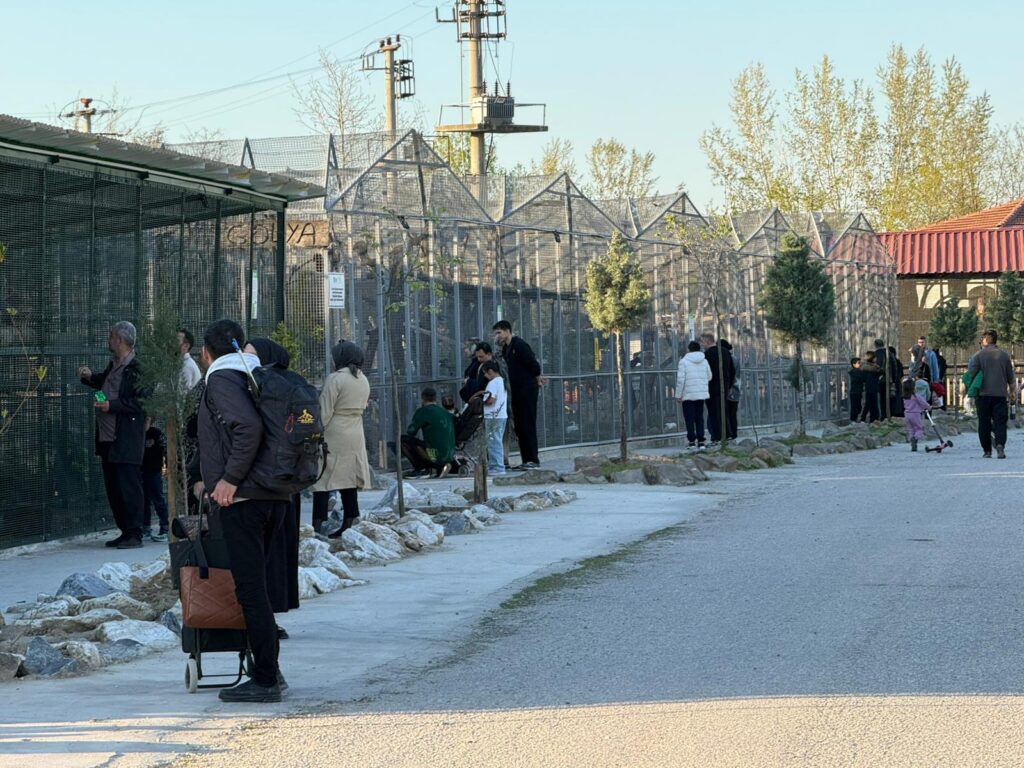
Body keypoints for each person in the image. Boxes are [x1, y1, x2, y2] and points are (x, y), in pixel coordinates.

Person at [198, 318, 288, 703]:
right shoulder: (256, 372)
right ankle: (269, 670)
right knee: (258, 588)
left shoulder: (222, 378)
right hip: (274, 494)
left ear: (205, 353)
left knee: (250, 590)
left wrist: (228, 479)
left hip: (245, 499)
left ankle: (266, 679)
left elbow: (248, 428)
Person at [244, 338, 301, 630]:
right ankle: (272, 615)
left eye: (251, 354)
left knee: (258, 556)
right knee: (278, 553)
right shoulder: (294, 385)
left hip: (258, 481)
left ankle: (262, 622)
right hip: (288, 482)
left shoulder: (259, 385)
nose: (245, 359)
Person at [78, 321, 147, 549]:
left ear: (120, 340)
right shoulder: (114, 365)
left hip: (125, 437)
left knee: (128, 485)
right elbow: (104, 385)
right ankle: (125, 530)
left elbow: (141, 401)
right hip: (107, 437)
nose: (108, 341)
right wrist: (89, 377)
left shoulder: (137, 368)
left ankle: (135, 533)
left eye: (111, 337)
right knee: (114, 487)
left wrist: (112, 406)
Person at [312, 341, 371, 535]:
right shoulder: (362, 379)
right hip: (356, 431)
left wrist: (315, 433)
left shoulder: (335, 379)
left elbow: (325, 410)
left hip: (334, 431)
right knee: (349, 478)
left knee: (323, 477)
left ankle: (318, 523)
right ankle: (349, 520)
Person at [493, 320, 542, 469]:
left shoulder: (520, 345)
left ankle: (533, 459)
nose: (497, 336)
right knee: (520, 426)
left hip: (527, 390)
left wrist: (533, 378)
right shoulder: (506, 349)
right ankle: (526, 459)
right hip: (515, 392)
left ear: (507, 331)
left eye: (499, 333)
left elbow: (535, 367)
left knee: (527, 424)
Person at [967, 329, 1016, 459]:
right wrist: (1012, 392)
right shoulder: (1004, 355)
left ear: (985, 340)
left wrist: (968, 390)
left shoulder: (978, 356)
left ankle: (987, 450)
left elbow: (971, 375)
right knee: (1000, 422)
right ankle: (1000, 445)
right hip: (1000, 395)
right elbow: (1011, 378)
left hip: (983, 395)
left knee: (984, 423)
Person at [400, 388, 456, 479]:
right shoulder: (445, 412)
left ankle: (421, 469)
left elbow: (411, 431)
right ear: (435, 398)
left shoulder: (423, 411)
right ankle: (440, 467)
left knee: (403, 441)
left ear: (422, 399)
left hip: (435, 455)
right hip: (449, 455)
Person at [700, 332, 735, 445]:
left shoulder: (706, 355)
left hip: (711, 387)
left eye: (702, 342)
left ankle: (717, 436)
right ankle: (727, 434)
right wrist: (729, 385)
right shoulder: (725, 352)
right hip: (724, 386)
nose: (701, 344)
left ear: (707, 341)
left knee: (713, 412)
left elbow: (704, 373)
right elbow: (732, 370)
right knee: (724, 410)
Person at [676, 340, 712, 450]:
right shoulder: (704, 361)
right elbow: (709, 376)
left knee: (689, 418)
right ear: (699, 349)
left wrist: (678, 395)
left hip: (687, 395)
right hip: (700, 394)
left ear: (689, 349)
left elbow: (681, 380)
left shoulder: (683, 362)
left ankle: (691, 441)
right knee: (699, 417)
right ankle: (701, 441)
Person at [142, 418, 168, 542]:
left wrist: (167, 466)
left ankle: (165, 527)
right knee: (143, 501)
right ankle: (145, 528)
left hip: (154, 471)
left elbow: (166, 449)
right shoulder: (136, 433)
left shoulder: (156, 433)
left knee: (158, 499)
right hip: (140, 471)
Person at [480, 361, 508, 475]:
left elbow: (491, 400)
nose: (485, 376)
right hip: (501, 415)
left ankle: (497, 467)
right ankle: (497, 465)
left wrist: (481, 401)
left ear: (490, 371)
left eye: (485, 373)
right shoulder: (502, 381)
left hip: (492, 416)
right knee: (497, 440)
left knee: (493, 442)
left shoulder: (492, 383)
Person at [902, 378, 930, 452]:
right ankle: (915, 438)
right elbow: (923, 403)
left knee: (911, 429)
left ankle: (912, 439)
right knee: (919, 429)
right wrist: (928, 407)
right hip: (916, 414)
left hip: (907, 414)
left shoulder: (905, 397)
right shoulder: (916, 396)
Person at [722, 339, 740, 440]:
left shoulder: (729, 359)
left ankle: (730, 433)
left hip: (731, 389)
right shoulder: (735, 358)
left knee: (728, 413)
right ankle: (733, 433)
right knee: (732, 413)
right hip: (736, 389)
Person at [860, 351, 882, 423]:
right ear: (872, 358)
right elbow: (881, 372)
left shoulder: (864, 368)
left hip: (867, 388)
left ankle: (863, 418)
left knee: (868, 404)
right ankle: (874, 419)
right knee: (874, 405)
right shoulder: (876, 369)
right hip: (874, 388)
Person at [178, 328, 202, 392]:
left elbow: (182, 394)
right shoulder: (183, 363)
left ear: (186, 346)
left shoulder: (186, 366)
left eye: (177, 341)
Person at [848, 357, 864, 422]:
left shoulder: (853, 372)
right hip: (856, 391)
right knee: (856, 407)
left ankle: (853, 419)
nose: (860, 364)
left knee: (855, 407)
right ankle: (853, 419)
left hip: (855, 391)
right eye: (858, 363)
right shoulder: (857, 372)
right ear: (854, 364)